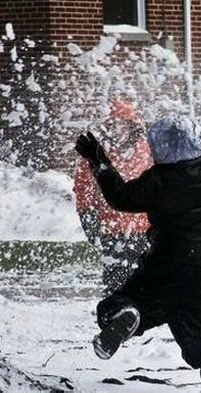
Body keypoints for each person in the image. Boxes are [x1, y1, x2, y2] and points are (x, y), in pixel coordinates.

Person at [74, 102, 201, 393]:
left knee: (122, 304)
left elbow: (119, 197)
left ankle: (127, 314)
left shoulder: (157, 182)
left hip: (163, 268)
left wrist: (99, 161)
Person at [73, 99, 151, 295]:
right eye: (112, 125)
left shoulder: (146, 149)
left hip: (145, 225)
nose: (118, 131)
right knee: (116, 274)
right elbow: (84, 187)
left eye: (122, 125)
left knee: (146, 272)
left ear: (132, 126)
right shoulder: (96, 153)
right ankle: (117, 310)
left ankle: (140, 309)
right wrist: (86, 214)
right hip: (112, 227)